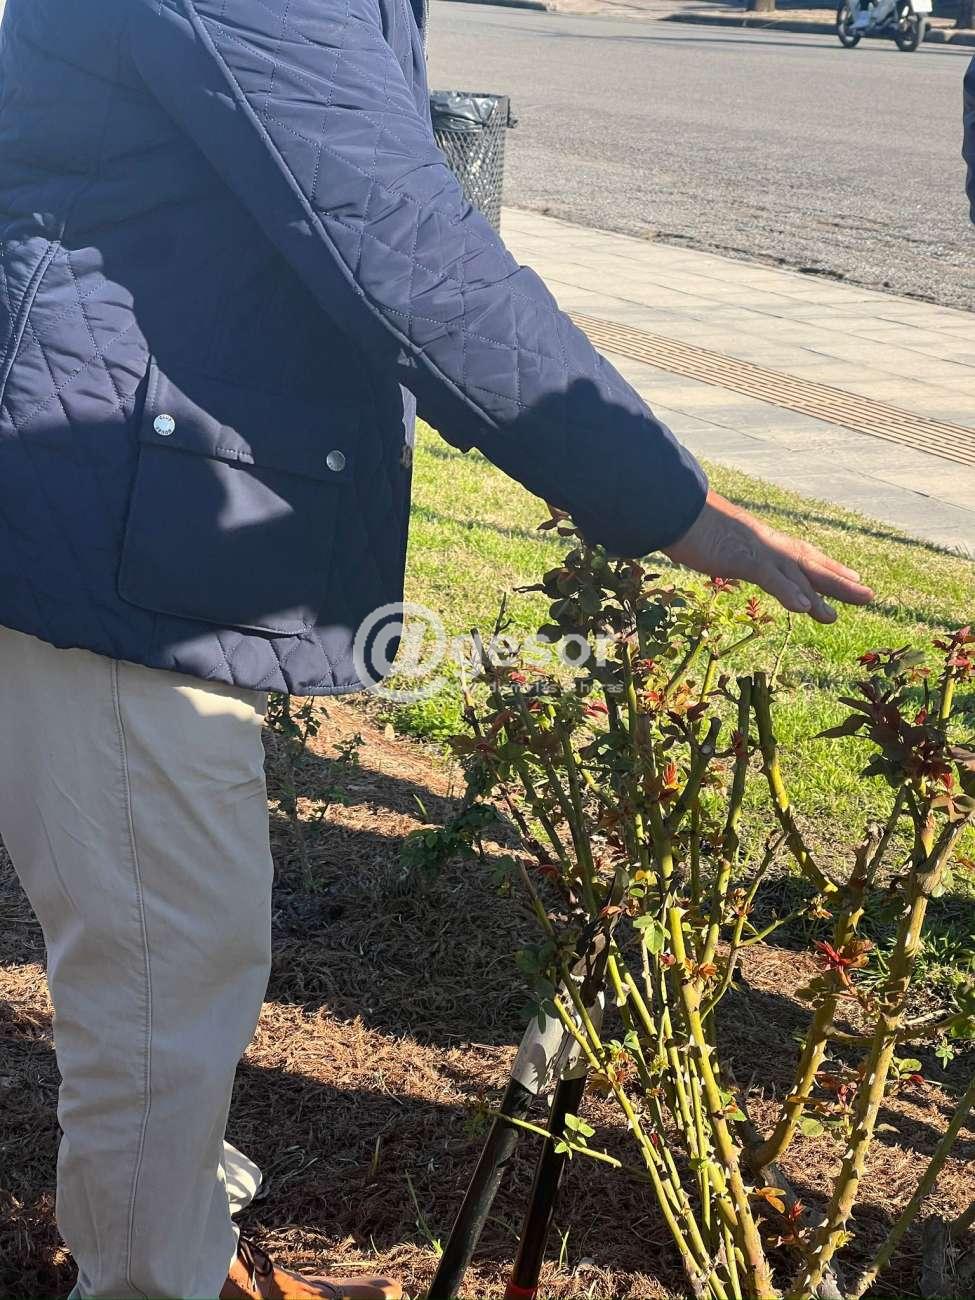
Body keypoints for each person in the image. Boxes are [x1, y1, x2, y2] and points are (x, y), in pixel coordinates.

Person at [0, 1, 873, 1296]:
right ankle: (148, 1279)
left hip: (136, 492)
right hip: (102, 517)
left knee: (173, 947)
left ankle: (175, 1248)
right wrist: (670, 504)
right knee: (163, 969)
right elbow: (401, 247)